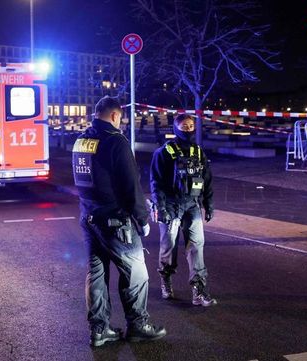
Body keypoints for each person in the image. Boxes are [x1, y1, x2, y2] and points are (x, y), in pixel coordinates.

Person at [73, 96, 166, 347]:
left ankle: (99, 330)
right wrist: (142, 218)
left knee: (96, 275)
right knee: (136, 273)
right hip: (116, 220)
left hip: (90, 217)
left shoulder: (81, 140)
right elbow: (130, 185)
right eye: (121, 118)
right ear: (115, 116)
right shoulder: (116, 141)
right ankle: (138, 325)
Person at [149, 114, 217, 307]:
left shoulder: (198, 152)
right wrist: (161, 207)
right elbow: (156, 182)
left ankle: (199, 291)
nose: (188, 129)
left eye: (190, 126)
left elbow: (207, 180)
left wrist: (209, 204)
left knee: (196, 247)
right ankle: (166, 280)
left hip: (191, 205)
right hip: (170, 205)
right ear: (175, 128)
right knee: (169, 246)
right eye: (184, 126)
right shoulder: (163, 152)